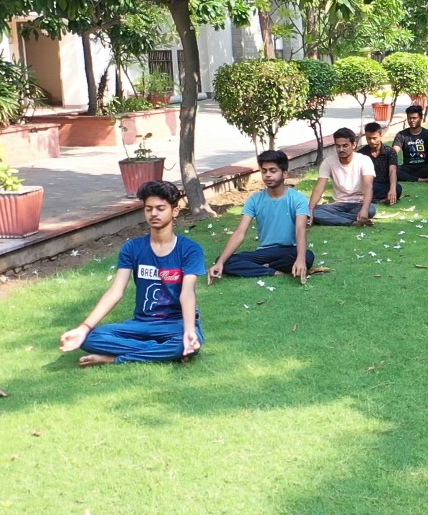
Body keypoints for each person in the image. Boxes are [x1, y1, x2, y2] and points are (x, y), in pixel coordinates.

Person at [58, 181, 205, 366]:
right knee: (89, 338)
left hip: (175, 323)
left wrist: (190, 330)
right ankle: (161, 350)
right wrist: (83, 328)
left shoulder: (190, 249)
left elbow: (187, 292)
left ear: (174, 211)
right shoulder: (133, 248)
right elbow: (115, 292)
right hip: (141, 324)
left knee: (187, 342)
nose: (154, 214)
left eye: (160, 208)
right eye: (148, 209)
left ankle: (115, 358)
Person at [208, 150, 313, 284]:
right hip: (264, 252)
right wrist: (221, 262)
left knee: (308, 256)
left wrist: (300, 258)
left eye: (273, 171)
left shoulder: (298, 199)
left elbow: (300, 230)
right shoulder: (254, 200)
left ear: (285, 173)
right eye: (264, 171)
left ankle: (266, 267)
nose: (267, 175)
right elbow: (240, 232)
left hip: (289, 251)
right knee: (224, 260)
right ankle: (272, 271)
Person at [309, 127, 376, 226]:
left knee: (370, 210)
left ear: (354, 145)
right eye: (338, 146)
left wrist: (364, 209)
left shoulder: (364, 160)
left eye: (345, 146)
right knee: (313, 210)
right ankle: (352, 222)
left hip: (358, 203)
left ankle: (338, 217)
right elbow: (319, 188)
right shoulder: (328, 162)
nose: (341, 149)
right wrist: (310, 211)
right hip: (338, 204)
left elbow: (368, 186)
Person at [392, 105, 428, 183]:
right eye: (409, 118)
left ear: (420, 118)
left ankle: (408, 177)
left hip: (423, 167)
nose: (412, 120)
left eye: (414, 118)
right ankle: (420, 179)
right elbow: (394, 151)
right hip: (407, 167)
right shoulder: (401, 135)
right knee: (393, 169)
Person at [358, 121, 401, 205]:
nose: (372, 141)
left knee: (398, 188)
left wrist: (392, 189)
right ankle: (377, 200)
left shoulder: (390, 151)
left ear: (381, 136)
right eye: (368, 138)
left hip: (384, 185)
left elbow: (393, 170)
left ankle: (370, 199)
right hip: (367, 185)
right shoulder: (361, 153)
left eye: (374, 138)